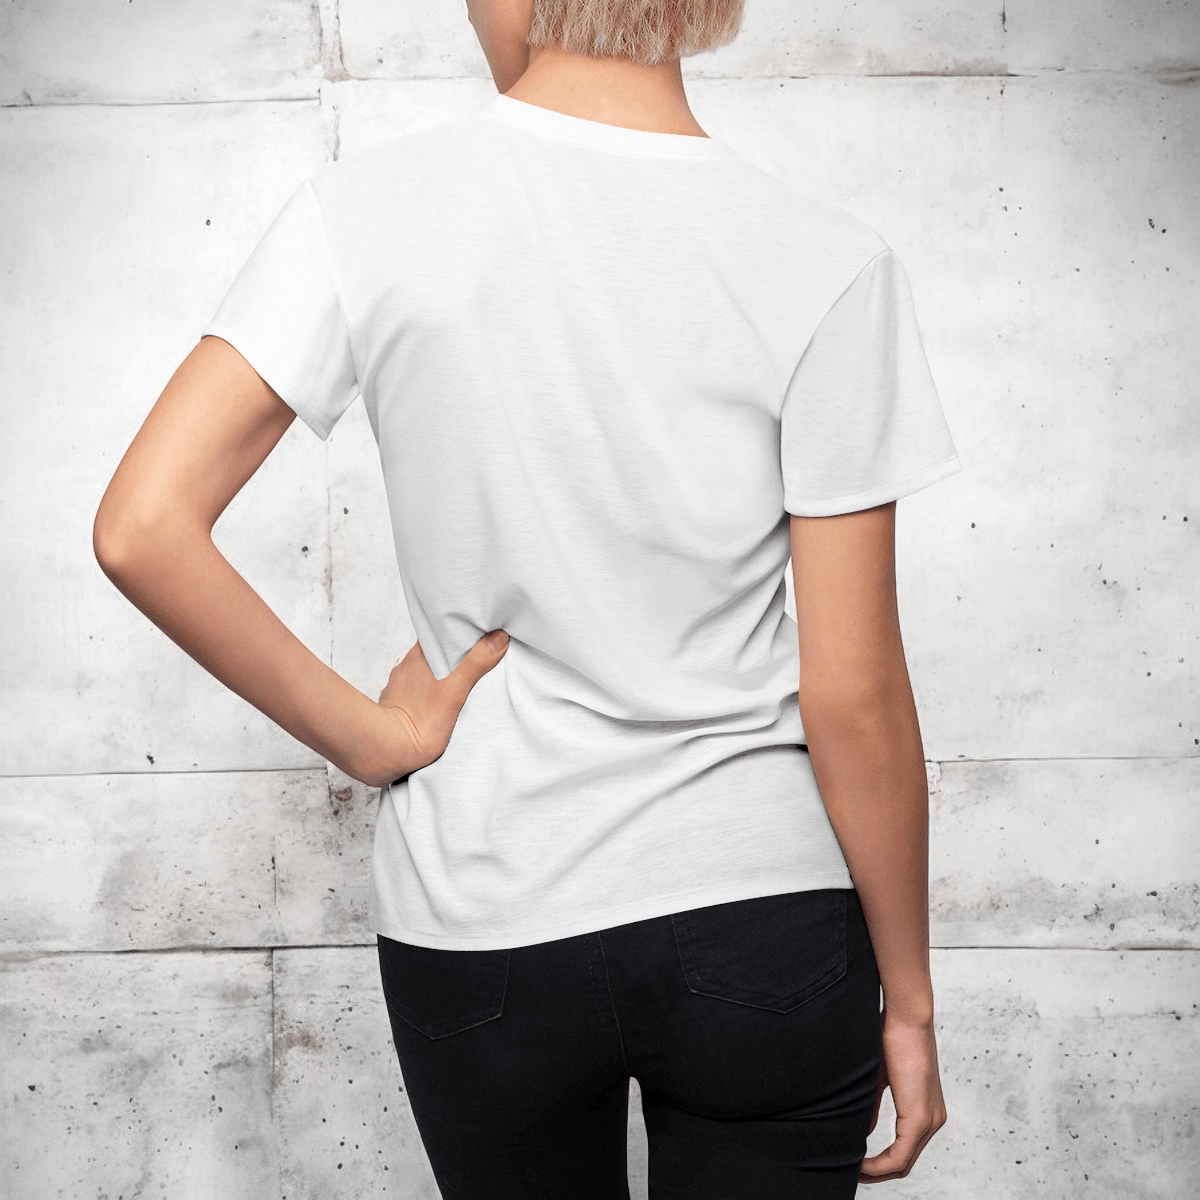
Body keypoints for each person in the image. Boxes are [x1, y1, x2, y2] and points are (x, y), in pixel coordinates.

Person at [93, 0, 959, 1195]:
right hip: (762, 918)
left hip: (486, 918)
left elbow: (142, 528)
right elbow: (855, 694)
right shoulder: (824, 257)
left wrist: (376, 737)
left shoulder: (364, 216)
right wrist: (906, 1002)